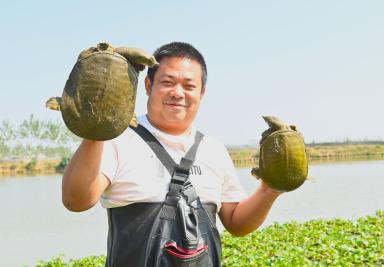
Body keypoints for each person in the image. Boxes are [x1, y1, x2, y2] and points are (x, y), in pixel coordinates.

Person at [62, 42, 282, 266]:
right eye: (167, 83)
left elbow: (236, 223)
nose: (178, 93)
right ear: (148, 85)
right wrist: (95, 129)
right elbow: (76, 200)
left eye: (189, 86)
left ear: (202, 93)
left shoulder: (213, 149)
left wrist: (270, 189)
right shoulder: (115, 140)